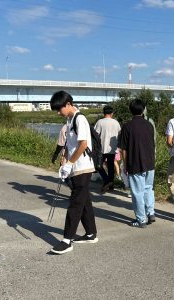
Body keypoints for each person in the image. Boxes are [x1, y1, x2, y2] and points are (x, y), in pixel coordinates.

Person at [49, 91, 98, 254]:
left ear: (68, 104)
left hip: (83, 167)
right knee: (84, 201)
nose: (58, 112)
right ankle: (91, 233)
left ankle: (67, 240)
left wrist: (70, 163)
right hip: (74, 167)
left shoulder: (80, 119)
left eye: (59, 109)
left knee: (75, 204)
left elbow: (83, 144)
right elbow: (70, 145)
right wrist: (64, 162)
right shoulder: (69, 120)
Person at [120, 99, 156, 228]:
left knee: (137, 193)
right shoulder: (149, 125)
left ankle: (141, 220)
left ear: (131, 110)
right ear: (143, 109)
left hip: (135, 163)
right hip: (150, 163)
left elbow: (123, 149)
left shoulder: (127, 127)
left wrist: (125, 164)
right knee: (148, 189)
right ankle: (151, 212)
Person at [94, 105, 121, 193]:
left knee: (98, 166)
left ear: (104, 112)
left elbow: (96, 134)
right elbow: (119, 134)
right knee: (111, 167)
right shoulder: (116, 122)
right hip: (113, 148)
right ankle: (110, 184)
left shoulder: (100, 122)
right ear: (112, 113)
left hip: (101, 148)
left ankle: (106, 180)